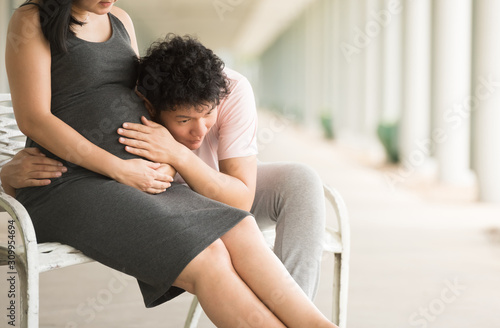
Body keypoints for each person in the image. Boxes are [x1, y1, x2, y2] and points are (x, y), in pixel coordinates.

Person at [2, 1, 385, 328]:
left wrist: (163, 158)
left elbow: (142, 100)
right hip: (68, 182)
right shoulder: (32, 21)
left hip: (137, 178)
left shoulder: (120, 19)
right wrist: (120, 169)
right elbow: (34, 119)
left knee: (239, 225)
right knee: (207, 259)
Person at [4, 40, 326, 301]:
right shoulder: (133, 102)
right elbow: (77, 139)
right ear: (149, 106)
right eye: (184, 121)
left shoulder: (232, 91)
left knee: (301, 181)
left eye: (208, 115)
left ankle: (297, 312)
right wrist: (8, 172)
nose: (199, 133)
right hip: (172, 205)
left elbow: (240, 198)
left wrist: (180, 155)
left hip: (221, 190)